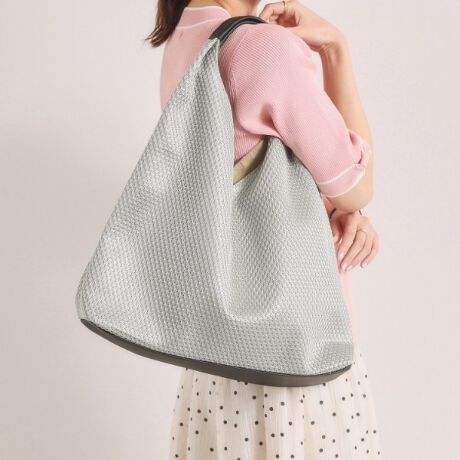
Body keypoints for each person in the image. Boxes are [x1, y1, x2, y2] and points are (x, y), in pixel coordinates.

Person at [146, 0, 383, 457]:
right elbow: (356, 185)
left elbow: (242, 179)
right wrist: (336, 48)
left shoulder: (187, 36)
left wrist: (333, 207)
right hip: (293, 359)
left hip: (216, 360)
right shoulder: (260, 48)